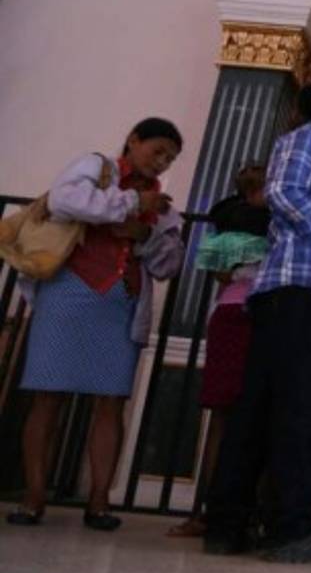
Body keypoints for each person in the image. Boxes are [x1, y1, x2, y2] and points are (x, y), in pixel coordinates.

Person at [204, 73, 311, 565]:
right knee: (302, 411)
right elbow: (281, 191)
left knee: (258, 409)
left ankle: (228, 524)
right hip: (299, 292)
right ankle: (290, 530)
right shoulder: (310, 139)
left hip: (293, 290)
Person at [7, 118, 184, 530]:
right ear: (133, 140)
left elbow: (169, 264)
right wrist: (130, 203)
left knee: (111, 400)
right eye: (157, 150)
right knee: (48, 395)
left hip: (121, 301)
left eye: (170, 158)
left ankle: (99, 501)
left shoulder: (162, 207)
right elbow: (64, 201)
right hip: (68, 291)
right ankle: (33, 497)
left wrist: (145, 236)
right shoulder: (96, 168)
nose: (161, 162)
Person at [167, 165, 270, 538]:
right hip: (260, 314)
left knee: (223, 417)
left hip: (229, 310)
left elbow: (217, 271)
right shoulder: (272, 227)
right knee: (254, 415)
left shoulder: (226, 223)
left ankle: (214, 508)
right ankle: (245, 511)